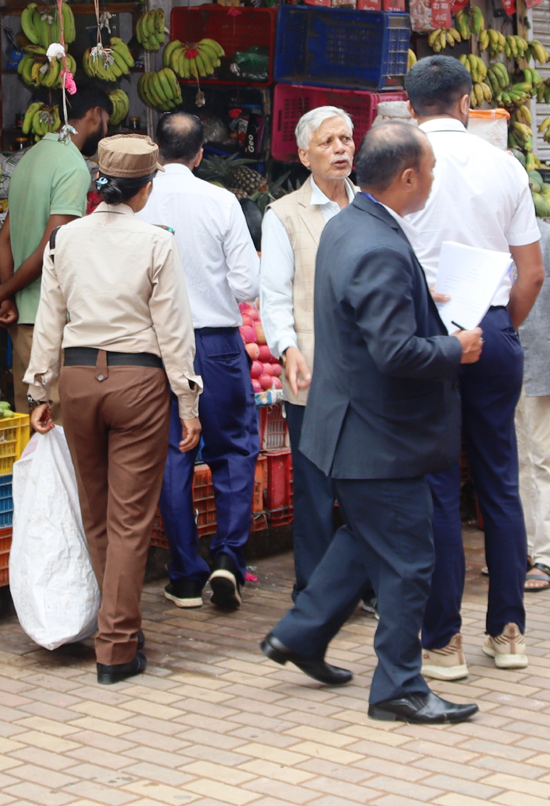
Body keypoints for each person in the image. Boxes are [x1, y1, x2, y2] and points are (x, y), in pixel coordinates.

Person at [258, 120, 483, 725]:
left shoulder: (347, 225)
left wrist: (418, 305)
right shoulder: (375, 241)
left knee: (362, 539)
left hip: (353, 426)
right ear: (408, 177)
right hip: (378, 434)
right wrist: (453, 349)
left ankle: (302, 634)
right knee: (409, 561)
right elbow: (394, 352)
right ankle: (398, 687)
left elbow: (367, 321)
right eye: (430, 171)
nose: (432, 180)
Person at [24, 135, 201, 685]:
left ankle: (118, 624)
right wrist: (188, 400)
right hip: (138, 382)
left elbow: (49, 319)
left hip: (77, 380)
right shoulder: (156, 242)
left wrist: (39, 390)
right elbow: (174, 331)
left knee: (97, 512)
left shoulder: (65, 239)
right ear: (145, 188)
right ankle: (117, 644)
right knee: (129, 520)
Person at [401, 55, 545, 680]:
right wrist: (502, 325)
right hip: (491, 324)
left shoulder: (391, 164)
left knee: (434, 483)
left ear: (410, 107)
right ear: (465, 103)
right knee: (498, 478)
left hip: (422, 332)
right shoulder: (504, 164)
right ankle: (508, 631)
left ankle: (443, 643)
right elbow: (532, 271)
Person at [138, 113, 261, 611]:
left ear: (156, 151)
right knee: (234, 449)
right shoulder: (222, 200)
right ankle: (228, 558)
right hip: (217, 345)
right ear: (200, 154)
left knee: (173, 456)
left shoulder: (136, 203)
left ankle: (186, 575)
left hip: (157, 349)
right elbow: (248, 284)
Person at [262, 106, 356, 595]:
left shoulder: (371, 206)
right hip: (313, 372)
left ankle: (368, 587)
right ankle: (316, 593)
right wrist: (286, 347)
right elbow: (274, 295)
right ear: (303, 155)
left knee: (366, 486)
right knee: (316, 486)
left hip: (369, 372)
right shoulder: (284, 216)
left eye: (346, 139)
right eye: (328, 142)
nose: (341, 148)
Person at [0, 87, 113, 411]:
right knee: (59, 426)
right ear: (94, 115)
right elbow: (56, 246)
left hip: (23, 319)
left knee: (32, 419)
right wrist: (4, 291)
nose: (106, 129)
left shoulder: (30, 158)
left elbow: (3, 242)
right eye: (106, 120)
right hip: (52, 322)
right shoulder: (72, 167)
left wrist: (9, 295)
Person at [515, 217, 550, 593]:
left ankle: (548, 556)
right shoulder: (482, 234)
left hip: (545, 360)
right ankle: (523, 550)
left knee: (548, 458)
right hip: (501, 364)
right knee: (515, 461)